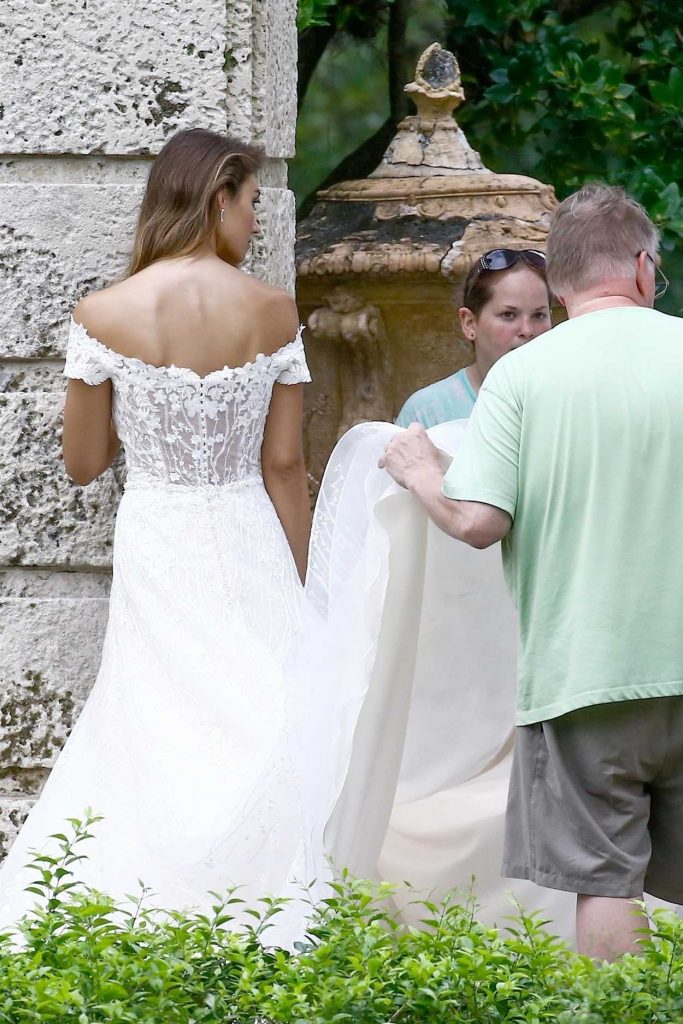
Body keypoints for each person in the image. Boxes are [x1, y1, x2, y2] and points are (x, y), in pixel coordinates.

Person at [0, 128, 314, 946]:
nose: (254, 224)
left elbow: (83, 463)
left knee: (155, 710)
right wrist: (307, 583)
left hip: (160, 527)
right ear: (218, 197)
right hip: (246, 526)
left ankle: (148, 916)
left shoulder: (103, 314)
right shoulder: (273, 311)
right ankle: (259, 911)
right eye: (250, 205)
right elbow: (284, 466)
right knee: (264, 706)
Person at [379, 183, 683, 960]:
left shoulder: (520, 378)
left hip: (583, 676)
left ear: (558, 287)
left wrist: (419, 473)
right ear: (645, 269)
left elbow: (477, 524)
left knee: (605, 885)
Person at [396, 249, 551, 428]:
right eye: (508, 315)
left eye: (539, 315)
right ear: (469, 323)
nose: (527, 330)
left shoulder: (571, 400)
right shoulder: (427, 413)